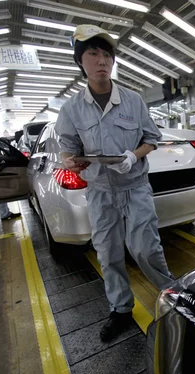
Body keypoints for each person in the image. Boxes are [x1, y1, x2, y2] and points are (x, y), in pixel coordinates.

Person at [56, 25, 174, 342]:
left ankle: (173, 298)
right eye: (93, 54)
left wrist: (134, 157)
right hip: (99, 192)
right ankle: (121, 310)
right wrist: (70, 159)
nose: (102, 60)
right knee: (108, 254)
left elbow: (152, 139)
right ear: (81, 62)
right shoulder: (71, 108)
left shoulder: (133, 100)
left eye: (107, 54)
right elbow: (67, 146)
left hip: (134, 187)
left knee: (146, 248)